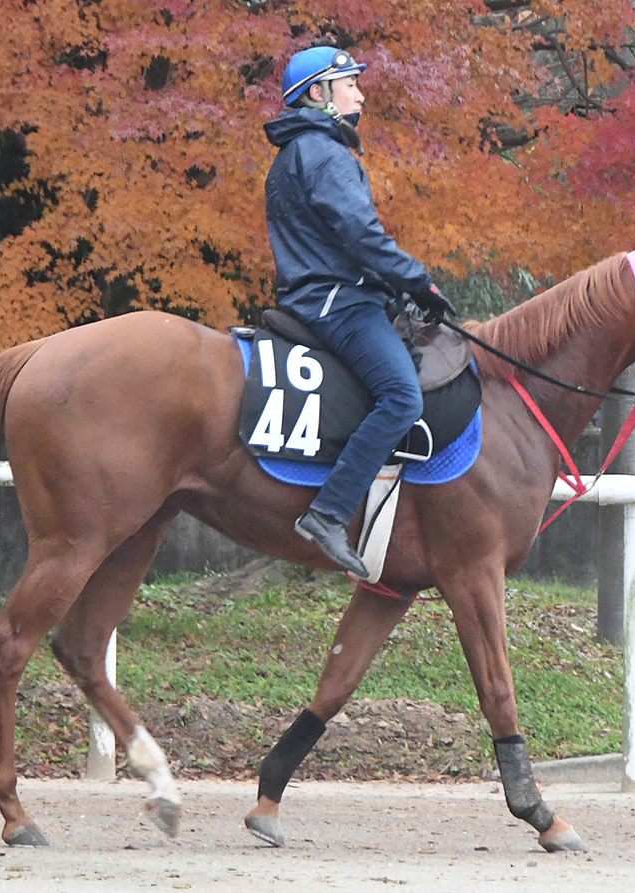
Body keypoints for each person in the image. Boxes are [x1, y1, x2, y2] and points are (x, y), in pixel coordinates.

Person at [263, 45, 455, 577]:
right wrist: (419, 283)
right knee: (401, 397)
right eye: (350, 85)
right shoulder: (324, 153)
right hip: (338, 301)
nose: (361, 95)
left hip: (321, 294)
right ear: (318, 94)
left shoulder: (296, 153)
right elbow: (361, 235)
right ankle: (328, 514)